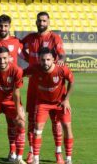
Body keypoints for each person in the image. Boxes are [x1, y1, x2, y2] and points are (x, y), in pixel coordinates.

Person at [21, 11, 66, 164]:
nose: (41, 23)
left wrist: (58, 63)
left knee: (56, 121)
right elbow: (19, 49)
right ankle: (32, 152)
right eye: (39, 21)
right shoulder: (31, 38)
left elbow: (61, 56)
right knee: (32, 120)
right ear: (36, 21)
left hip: (50, 85)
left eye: (44, 21)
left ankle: (58, 152)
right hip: (34, 84)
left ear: (48, 22)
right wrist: (29, 61)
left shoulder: (54, 38)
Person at [23, 47, 74, 164]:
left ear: (53, 59)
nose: (45, 62)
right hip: (43, 103)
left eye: (48, 60)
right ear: (39, 60)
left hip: (60, 103)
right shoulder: (34, 68)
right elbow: (20, 74)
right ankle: (36, 158)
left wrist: (66, 99)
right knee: (37, 130)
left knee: (66, 126)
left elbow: (71, 81)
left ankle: (68, 159)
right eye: (42, 60)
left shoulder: (61, 69)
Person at [0, 14, 23, 162]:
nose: (3, 28)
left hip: (10, 89)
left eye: (6, 26)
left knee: (12, 122)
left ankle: (12, 152)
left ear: (9, 26)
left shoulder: (16, 42)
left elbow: (27, 57)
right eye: (0, 26)